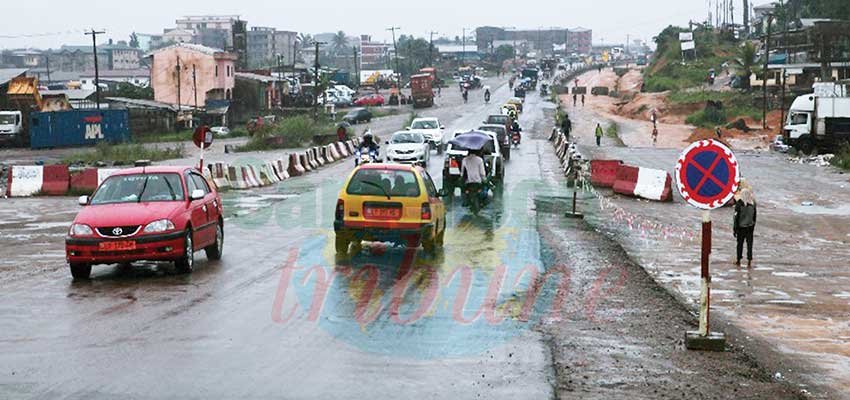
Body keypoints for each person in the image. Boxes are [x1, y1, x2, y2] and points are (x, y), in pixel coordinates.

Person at [733, 184, 757, 268]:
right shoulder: (753, 204)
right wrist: (753, 226)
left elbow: (736, 218)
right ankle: (749, 261)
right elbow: (754, 217)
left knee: (740, 244)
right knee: (749, 245)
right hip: (750, 227)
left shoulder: (739, 204)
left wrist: (735, 229)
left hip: (741, 228)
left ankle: (738, 260)